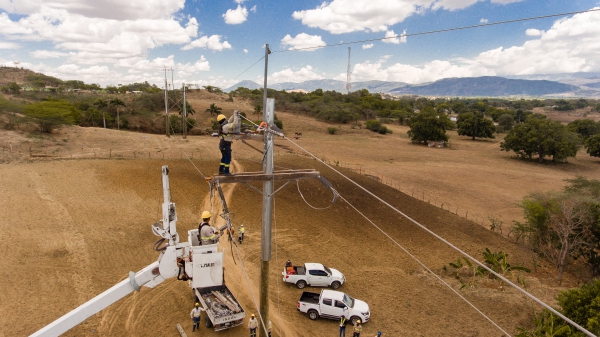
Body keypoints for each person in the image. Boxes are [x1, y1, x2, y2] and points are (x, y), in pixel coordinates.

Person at [217, 110, 240, 175]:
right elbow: (235, 123)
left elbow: (229, 121)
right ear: (223, 119)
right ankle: (226, 172)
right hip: (226, 145)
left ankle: (221, 170)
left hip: (223, 144)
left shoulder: (223, 126)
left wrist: (234, 114)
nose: (226, 120)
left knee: (224, 158)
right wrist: (235, 115)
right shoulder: (226, 126)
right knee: (228, 158)